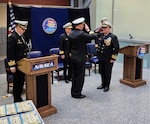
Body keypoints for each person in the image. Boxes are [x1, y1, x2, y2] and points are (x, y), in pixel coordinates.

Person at [68, 17, 97, 98]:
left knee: (74, 75)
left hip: (73, 57)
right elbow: (94, 36)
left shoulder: (71, 34)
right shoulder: (82, 34)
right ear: (80, 25)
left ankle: (73, 92)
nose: (83, 26)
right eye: (83, 25)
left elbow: (69, 46)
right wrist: (88, 30)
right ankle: (77, 93)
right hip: (80, 58)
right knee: (80, 76)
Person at [7, 20, 29, 102]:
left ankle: (19, 97)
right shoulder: (13, 37)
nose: (24, 30)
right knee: (17, 83)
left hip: (23, 64)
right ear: (17, 27)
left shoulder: (22, 36)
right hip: (16, 64)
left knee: (21, 82)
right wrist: (12, 66)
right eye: (22, 29)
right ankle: (16, 99)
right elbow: (10, 53)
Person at [96, 21, 119, 92]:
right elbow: (98, 42)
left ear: (109, 28)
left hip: (108, 58)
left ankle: (107, 85)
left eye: (105, 28)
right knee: (102, 71)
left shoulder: (113, 37)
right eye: (103, 28)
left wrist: (113, 58)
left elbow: (116, 48)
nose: (104, 29)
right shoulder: (101, 35)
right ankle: (103, 83)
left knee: (107, 72)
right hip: (101, 57)